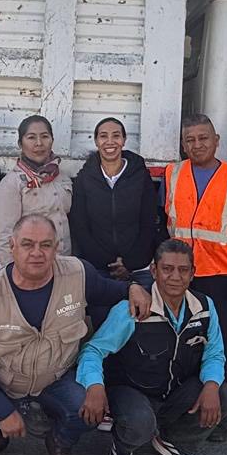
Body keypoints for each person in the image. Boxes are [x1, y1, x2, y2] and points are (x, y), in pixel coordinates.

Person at [0, 214, 152, 455]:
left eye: (45, 245)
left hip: (56, 378)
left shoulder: (78, 274)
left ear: (57, 247)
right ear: (12, 246)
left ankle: (60, 443)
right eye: (27, 244)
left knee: (92, 409)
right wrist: (2, 411)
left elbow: (112, 291)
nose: (37, 253)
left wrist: (133, 288)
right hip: (2, 379)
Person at [77, 239, 227, 455]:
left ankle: (171, 439)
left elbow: (214, 353)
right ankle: (123, 446)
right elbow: (93, 350)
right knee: (140, 422)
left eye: (183, 270)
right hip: (132, 392)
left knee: (224, 395)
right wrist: (95, 386)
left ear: (193, 273)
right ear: (154, 271)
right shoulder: (132, 309)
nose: (175, 277)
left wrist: (211, 385)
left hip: (176, 393)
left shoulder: (204, 307)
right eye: (167, 269)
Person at [161, 113, 227, 442]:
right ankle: (181, 407)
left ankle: (217, 414)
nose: (196, 144)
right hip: (178, 276)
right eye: (189, 140)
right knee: (179, 342)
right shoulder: (172, 174)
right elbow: (160, 224)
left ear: (217, 140)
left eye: (203, 138)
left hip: (222, 276)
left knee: (221, 344)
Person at [69, 116, 160, 327]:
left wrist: (129, 263)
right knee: (104, 329)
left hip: (138, 268)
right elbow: (80, 226)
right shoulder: (85, 179)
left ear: (124, 140)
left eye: (116, 136)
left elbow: (148, 223)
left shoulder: (140, 175)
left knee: (140, 327)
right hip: (100, 270)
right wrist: (109, 262)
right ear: (96, 141)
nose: (110, 142)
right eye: (103, 136)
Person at [0, 115, 73, 271]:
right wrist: (14, 276)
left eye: (45, 136)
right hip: (31, 269)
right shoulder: (12, 183)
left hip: (63, 266)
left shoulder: (63, 178)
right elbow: (4, 237)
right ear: (20, 143)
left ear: (52, 140)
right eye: (31, 137)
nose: (39, 143)